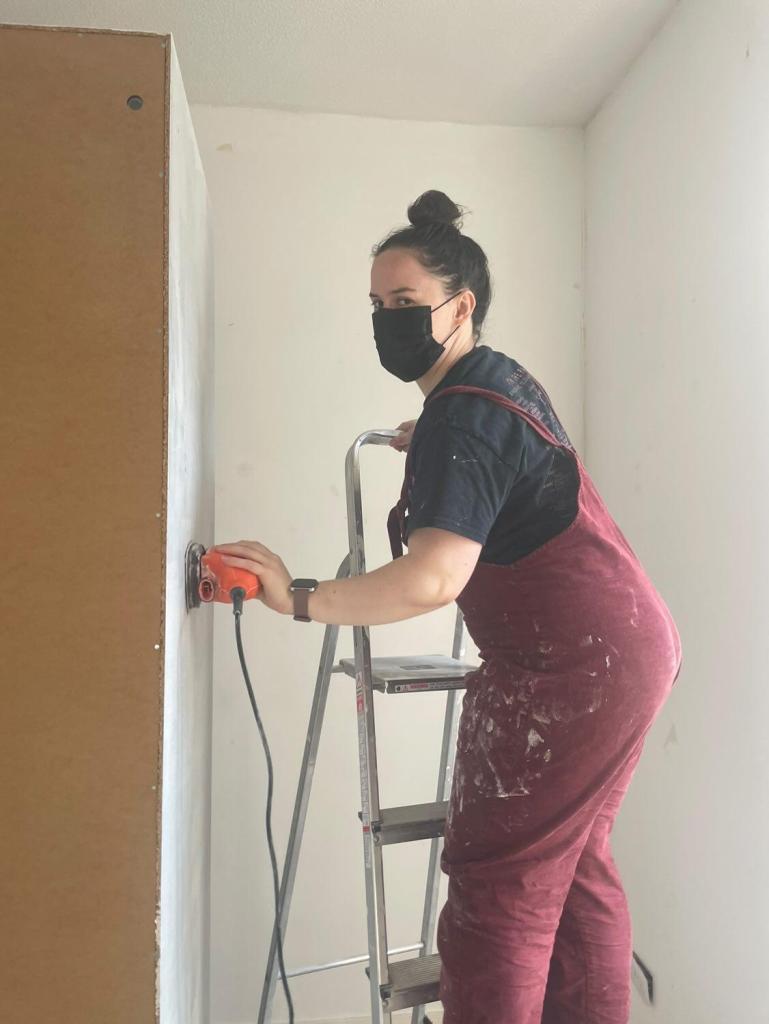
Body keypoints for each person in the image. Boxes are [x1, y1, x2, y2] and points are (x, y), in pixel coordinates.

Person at [213, 189, 683, 1023]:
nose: (386, 320)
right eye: (375, 305)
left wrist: (298, 597)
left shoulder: (462, 418)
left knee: (499, 883)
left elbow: (431, 578)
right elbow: (503, 467)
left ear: (459, 306)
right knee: (574, 870)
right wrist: (428, 430)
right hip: (624, 650)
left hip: (569, 669)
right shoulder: (487, 386)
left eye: (405, 303)